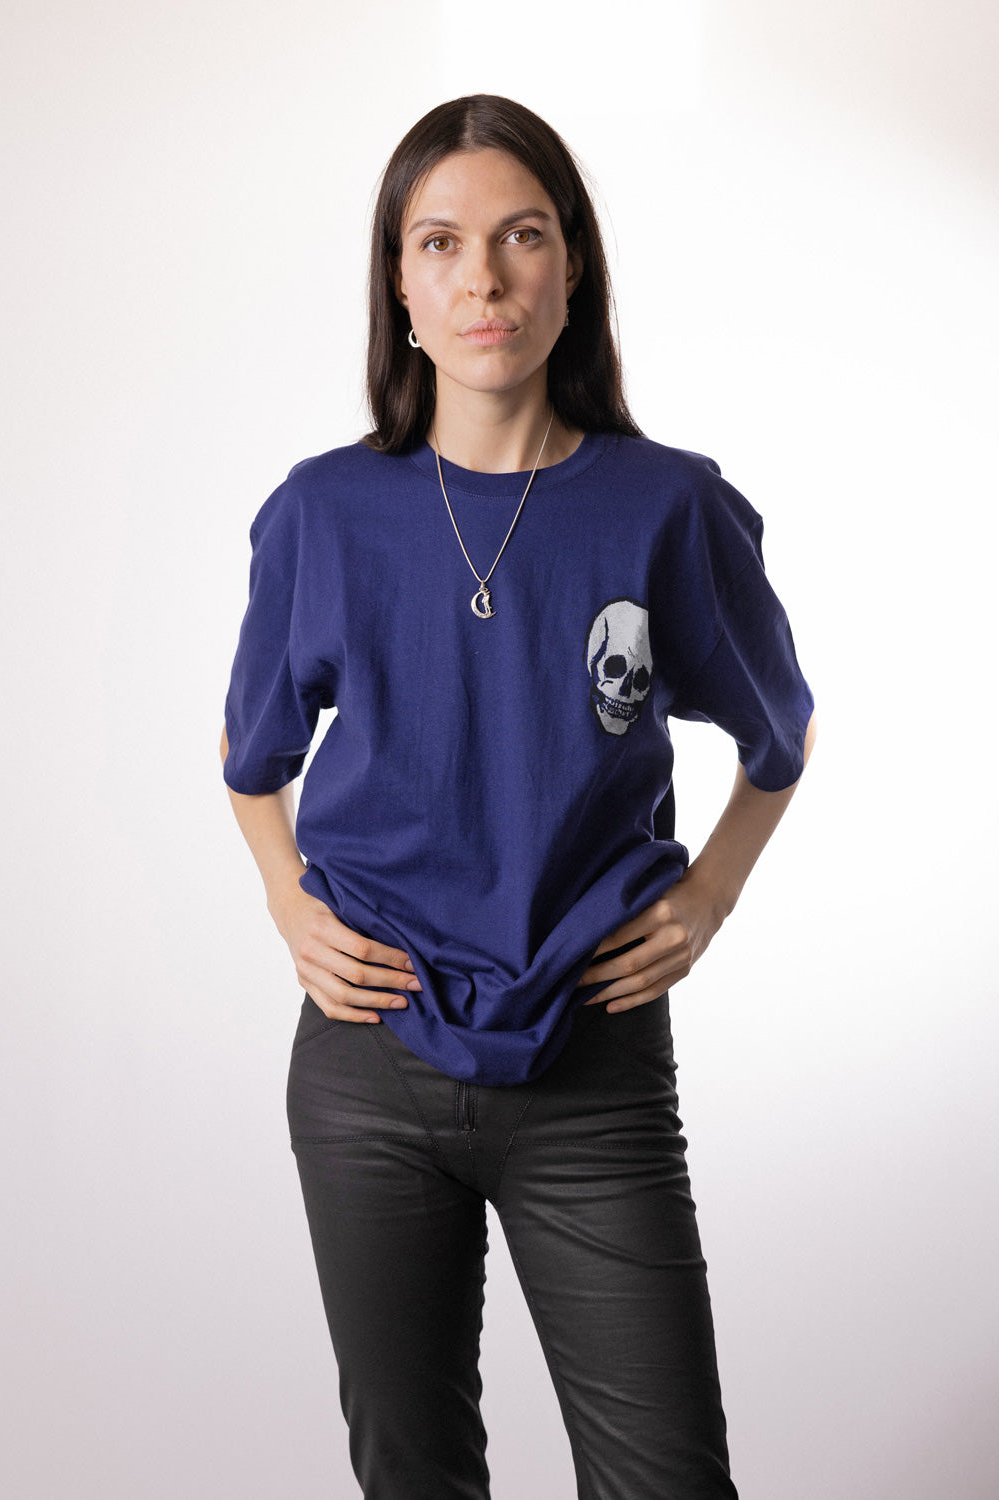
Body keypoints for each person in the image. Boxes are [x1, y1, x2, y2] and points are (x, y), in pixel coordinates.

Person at [221, 94, 815, 1500]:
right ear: (400, 283)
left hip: (592, 1064)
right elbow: (254, 761)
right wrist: (289, 902)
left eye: (521, 236)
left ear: (572, 266)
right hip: (368, 1065)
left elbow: (777, 732)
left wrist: (711, 894)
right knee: (414, 1473)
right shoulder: (323, 512)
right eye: (441, 242)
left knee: (666, 1477)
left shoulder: (668, 507)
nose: (482, 277)